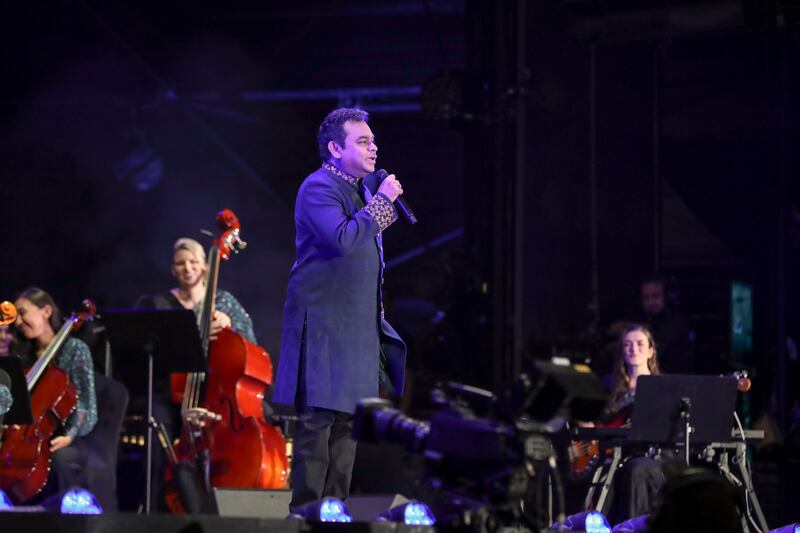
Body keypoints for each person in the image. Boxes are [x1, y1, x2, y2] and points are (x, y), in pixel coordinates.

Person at [273, 107, 407, 511]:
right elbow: (342, 240)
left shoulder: (361, 191)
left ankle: (336, 516)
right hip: (325, 329)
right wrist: (384, 204)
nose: (374, 147)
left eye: (373, 140)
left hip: (356, 332)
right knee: (317, 430)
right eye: (362, 141)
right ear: (334, 148)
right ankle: (306, 515)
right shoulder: (318, 188)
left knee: (348, 435)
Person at [134, 236, 257, 511]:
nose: (187, 268)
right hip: (171, 392)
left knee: (259, 420)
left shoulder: (223, 300)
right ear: (172, 270)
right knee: (155, 431)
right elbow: (145, 351)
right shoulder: (159, 304)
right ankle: (151, 511)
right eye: (180, 263)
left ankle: (237, 505)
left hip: (217, 392)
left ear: (204, 266)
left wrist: (230, 325)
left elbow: (251, 345)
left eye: (193, 262)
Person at [10, 287, 97, 496]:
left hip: (67, 438)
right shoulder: (21, 356)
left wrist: (70, 435)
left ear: (46, 311)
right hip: (26, 437)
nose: (18, 322)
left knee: (59, 459)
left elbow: (88, 406)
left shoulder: (75, 349)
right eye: (16, 317)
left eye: (23, 313)